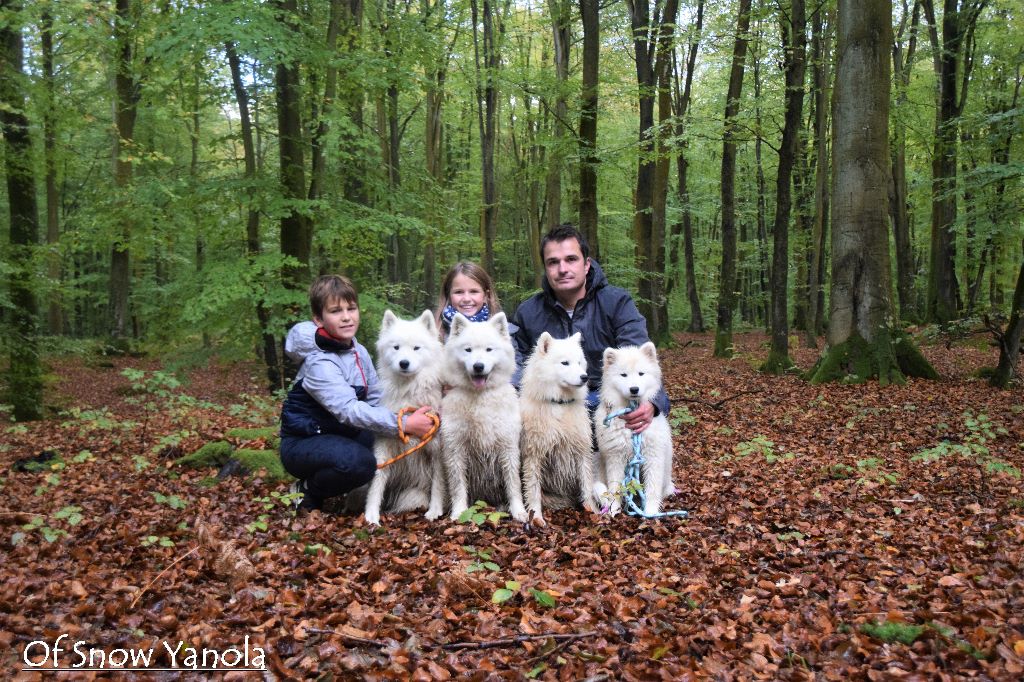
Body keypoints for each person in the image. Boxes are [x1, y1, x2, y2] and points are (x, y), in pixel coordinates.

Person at [279, 275, 436, 512]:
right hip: (305, 442)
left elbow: (374, 399)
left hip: (341, 435)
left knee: (384, 441)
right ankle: (307, 490)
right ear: (318, 319)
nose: (346, 317)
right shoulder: (319, 362)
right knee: (360, 464)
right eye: (335, 311)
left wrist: (408, 415)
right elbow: (348, 410)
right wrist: (404, 423)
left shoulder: (357, 350)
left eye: (351, 308)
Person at [511, 224, 670, 434]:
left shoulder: (616, 303)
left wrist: (655, 402)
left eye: (571, 259)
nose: (562, 269)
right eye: (553, 262)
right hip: (547, 406)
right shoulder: (528, 312)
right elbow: (514, 365)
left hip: (605, 401)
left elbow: (639, 359)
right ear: (546, 269)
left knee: (647, 418)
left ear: (586, 265)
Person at [435, 261, 503, 340]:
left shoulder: (504, 334)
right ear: (449, 296)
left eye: (474, 291)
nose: (466, 299)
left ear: (486, 295)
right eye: (459, 292)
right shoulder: (431, 336)